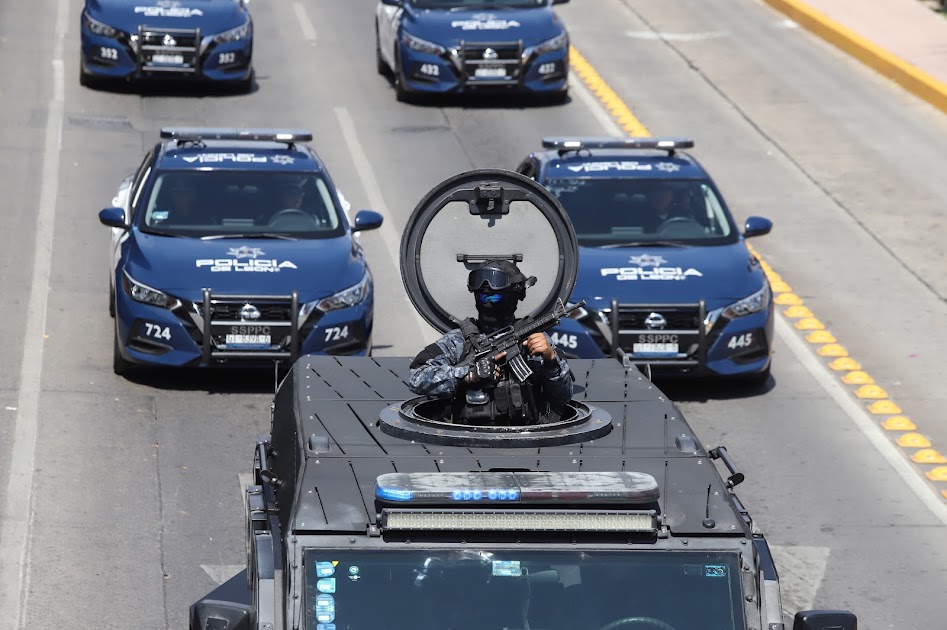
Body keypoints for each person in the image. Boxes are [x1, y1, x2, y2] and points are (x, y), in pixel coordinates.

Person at [408, 259, 573, 426]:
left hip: (525, 437)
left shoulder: (533, 339)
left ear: (515, 296)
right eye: (482, 295)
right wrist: (467, 375)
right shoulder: (458, 341)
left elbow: (563, 397)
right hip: (468, 439)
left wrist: (550, 360)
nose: (487, 302)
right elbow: (416, 378)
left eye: (495, 296)